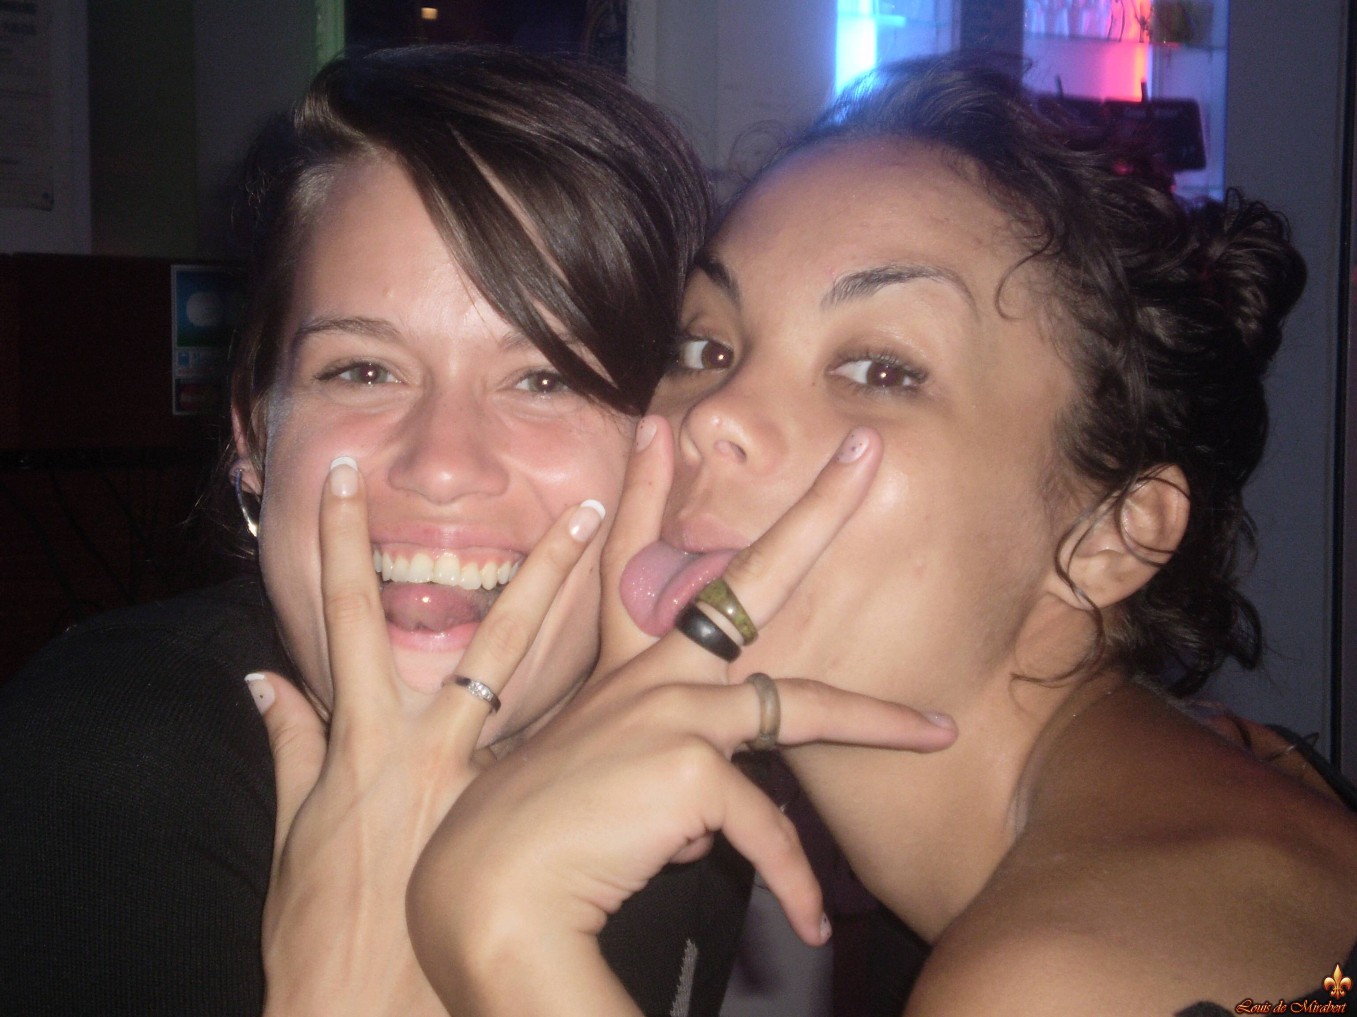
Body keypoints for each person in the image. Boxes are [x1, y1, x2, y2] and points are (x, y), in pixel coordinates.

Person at [402, 55, 1357, 1015]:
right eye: (705, 347)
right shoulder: (1215, 770)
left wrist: (503, 935)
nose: (712, 414)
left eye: (879, 370)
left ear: (1112, 537)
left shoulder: (1057, 981)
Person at [0, 44, 746, 1017]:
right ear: (254, 434)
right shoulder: (120, 765)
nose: (442, 463)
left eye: (545, 377)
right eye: (362, 370)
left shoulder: (695, 781)